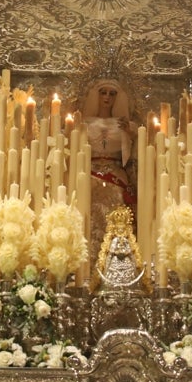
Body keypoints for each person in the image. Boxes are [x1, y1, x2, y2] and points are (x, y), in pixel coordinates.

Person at [79, 79, 137, 256]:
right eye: (103, 92)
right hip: (90, 172)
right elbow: (73, 146)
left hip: (116, 173)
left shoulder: (126, 125)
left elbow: (136, 151)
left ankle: (117, 256)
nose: (107, 97)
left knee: (118, 201)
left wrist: (130, 133)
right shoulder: (84, 123)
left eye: (112, 94)